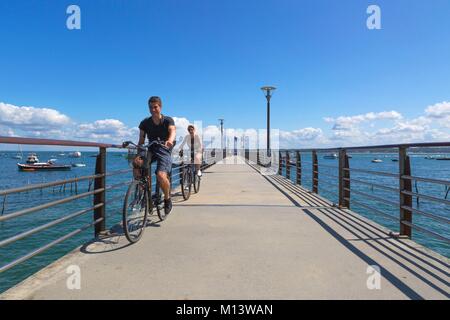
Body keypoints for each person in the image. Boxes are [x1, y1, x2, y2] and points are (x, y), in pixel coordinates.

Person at [137, 96, 176, 215]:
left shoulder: (168, 120)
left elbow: (172, 131)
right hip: (151, 148)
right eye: (150, 107)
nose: (153, 110)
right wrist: (138, 149)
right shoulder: (144, 123)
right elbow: (141, 139)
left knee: (160, 175)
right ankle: (143, 188)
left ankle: (167, 199)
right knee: (137, 163)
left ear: (160, 107)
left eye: (155, 107)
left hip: (164, 148)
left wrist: (169, 140)